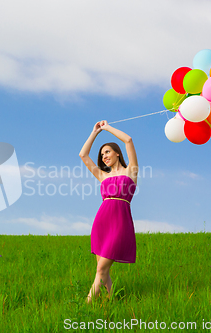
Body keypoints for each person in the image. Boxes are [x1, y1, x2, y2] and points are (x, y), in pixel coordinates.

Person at [79, 120, 138, 304]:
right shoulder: (102, 175)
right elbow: (83, 154)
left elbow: (128, 140)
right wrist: (94, 132)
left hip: (120, 223)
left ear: (117, 153)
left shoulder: (131, 171)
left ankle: (86, 307)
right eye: (102, 154)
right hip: (101, 223)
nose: (104, 156)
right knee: (102, 270)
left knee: (101, 269)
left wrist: (107, 128)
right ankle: (113, 302)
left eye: (107, 151)